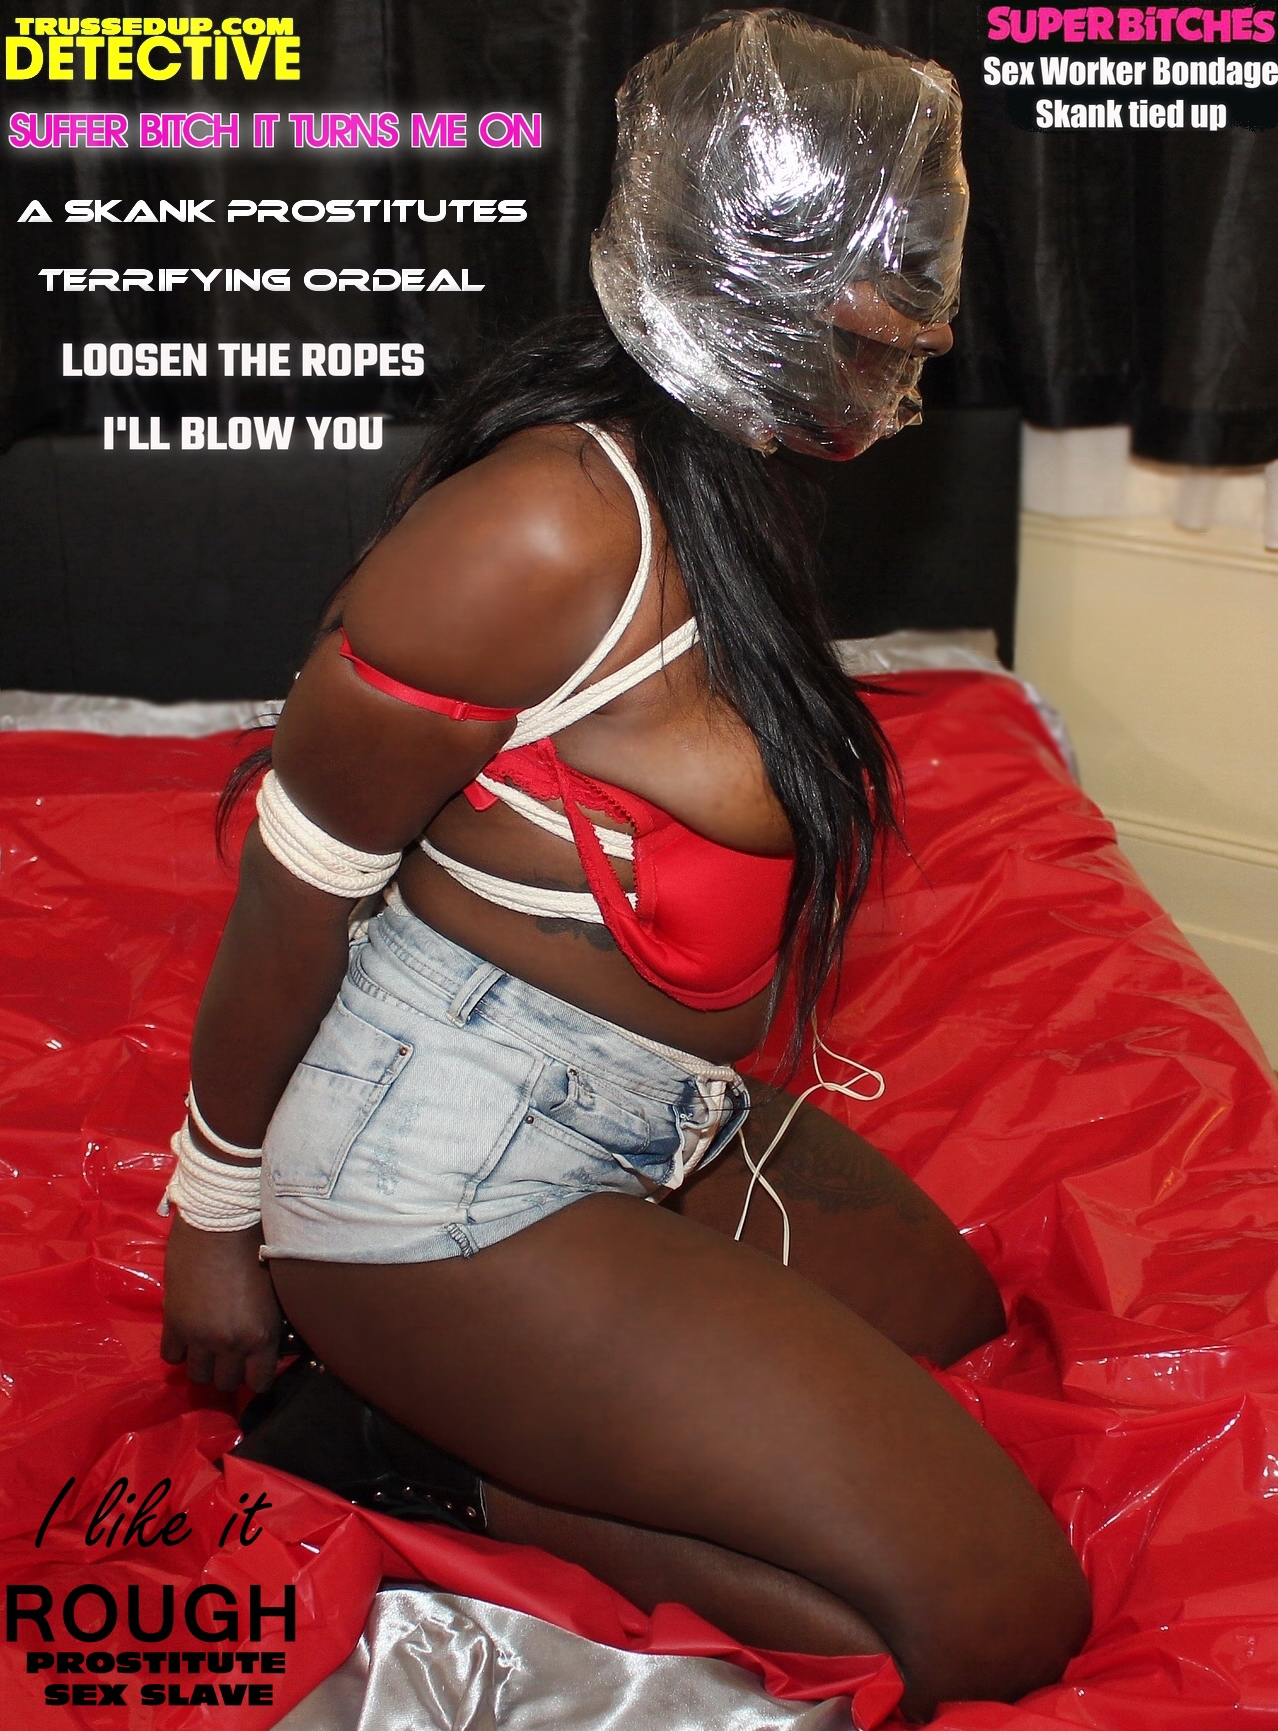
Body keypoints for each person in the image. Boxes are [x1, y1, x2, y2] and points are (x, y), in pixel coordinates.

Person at [159, 12, 1091, 1719]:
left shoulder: (732, 471)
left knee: (952, 1315)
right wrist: (213, 1220)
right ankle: (402, 1450)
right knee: (987, 1622)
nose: (929, 325)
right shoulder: (540, 531)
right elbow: (293, 896)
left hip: (650, 1104)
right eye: (893, 272)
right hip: (442, 1179)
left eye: (929, 265)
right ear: (750, 261)